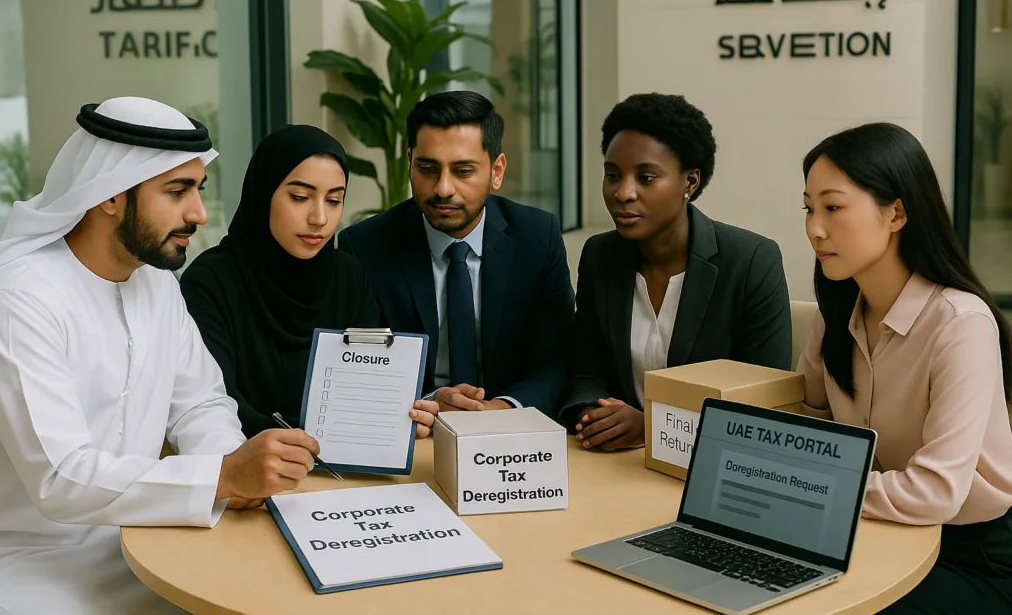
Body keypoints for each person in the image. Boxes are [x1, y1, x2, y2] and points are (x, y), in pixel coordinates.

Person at [0, 98, 321, 615]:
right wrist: (223, 477)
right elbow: (61, 477)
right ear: (110, 197)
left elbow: (199, 404)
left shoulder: (156, 284)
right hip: (32, 564)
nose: (200, 213)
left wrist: (237, 477)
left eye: (198, 189)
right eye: (177, 191)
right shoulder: (17, 297)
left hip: (152, 536)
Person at [797, 122, 1012, 613]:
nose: (814, 227)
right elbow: (806, 417)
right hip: (869, 531)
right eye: (808, 208)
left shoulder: (960, 323)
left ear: (895, 213)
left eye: (832, 207)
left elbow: (936, 492)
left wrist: (810, 485)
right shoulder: (835, 313)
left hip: (970, 555)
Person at [560, 93, 791, 451]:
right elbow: (584, 370)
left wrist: (651, 426)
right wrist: (595, 414)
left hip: (716, 465)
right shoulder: (600, 255)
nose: (623, 193)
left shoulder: (750, 261)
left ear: (690, 182)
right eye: (612, 175)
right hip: (616, 465)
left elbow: (765, 398)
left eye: (646, 177)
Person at [179, 124, 438, 438]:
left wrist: (410, 411)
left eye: (333, 200)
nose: (320, 218)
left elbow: (373, 383)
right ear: (263, 194)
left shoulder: (348, 276)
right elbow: (212, 404)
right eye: (300, 197)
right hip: (247, 462)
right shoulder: (210, 282)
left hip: (344, 464)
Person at [337, 90, 575, 418]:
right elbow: (360, 371)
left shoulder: (537, 237)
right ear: (410, 163)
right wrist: (430, 402)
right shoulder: (365, 247)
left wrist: (502, 408)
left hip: (511, 429)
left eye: (463, 171)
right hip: (416, 428)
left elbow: (557, 359)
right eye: (428, 168)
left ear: (497, 171)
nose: (443, 188)